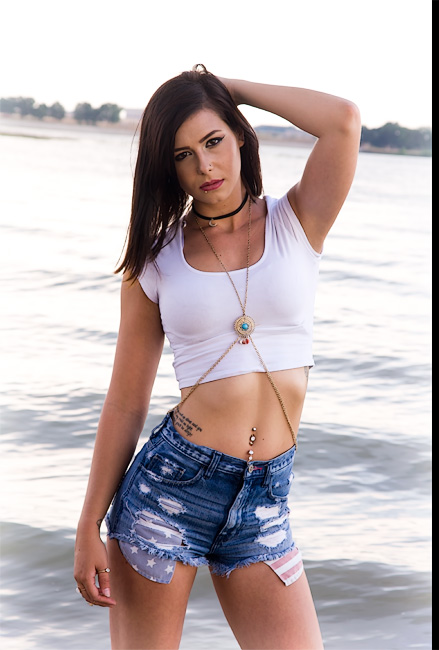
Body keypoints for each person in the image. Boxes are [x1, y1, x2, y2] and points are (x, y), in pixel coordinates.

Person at [74, 64, 361, 650]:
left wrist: (234, 89)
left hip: (266, 501)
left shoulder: (297, 222)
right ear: (168, 168)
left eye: (213, 141)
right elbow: (126, 401)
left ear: (241, 137)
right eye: (183, 155)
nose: (204, 166)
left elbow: (343, 122)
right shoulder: (155, 260)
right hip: (167, 494)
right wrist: (88, 523)